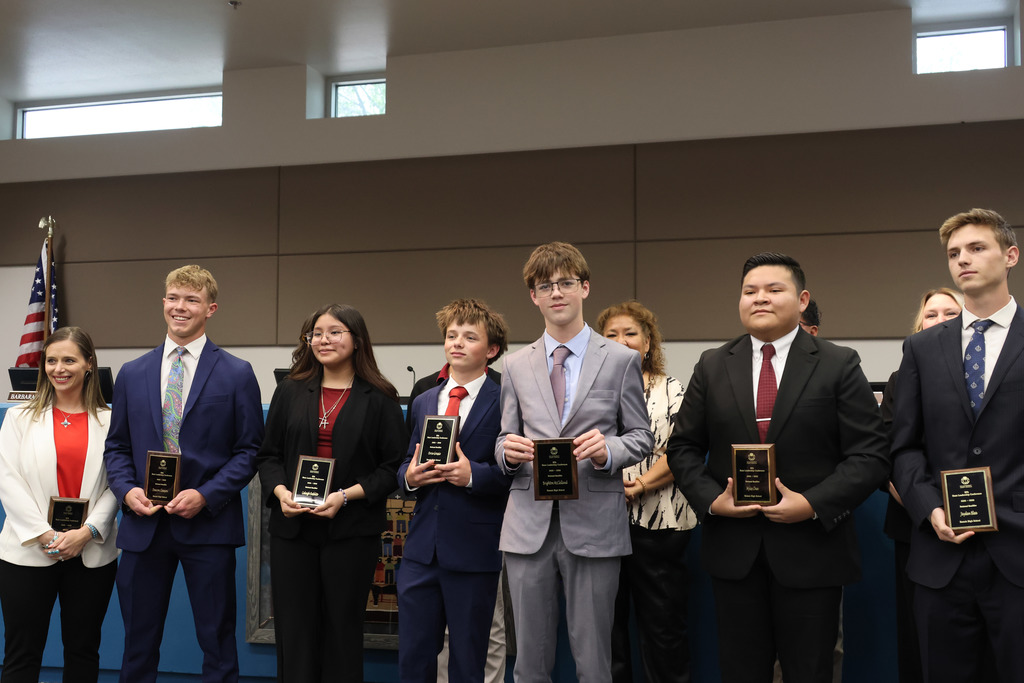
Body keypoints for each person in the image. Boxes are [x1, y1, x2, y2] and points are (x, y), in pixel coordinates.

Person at [666, 252, 889, 683]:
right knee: (741, 671)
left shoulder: (838, 363)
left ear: (802, 299)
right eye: (750, 291)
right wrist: (712, 501)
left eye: (774, 290)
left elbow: (871, 455)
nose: (759, 299)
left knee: (810, 671)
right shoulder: (712, 365)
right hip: (735, 550)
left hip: (812, 550)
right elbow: (683, 448)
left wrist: (812, 503)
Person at [495, 241, 653, 683]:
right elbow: (504, 436)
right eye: (545, 286)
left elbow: (642, 436)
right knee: (528, 662)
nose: (556, 292)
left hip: (596, 523)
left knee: (594, 660)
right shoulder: (514, 365)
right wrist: (506, 452)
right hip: (528, 527)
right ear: (533, 296)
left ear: (585, 287)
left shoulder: (621, 360)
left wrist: (609, 450)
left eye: (566, 283)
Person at [104, 265, 264, 683]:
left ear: (210, 308)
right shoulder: (132, 372)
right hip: (143, 525)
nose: (180, 307)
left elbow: (249, 451)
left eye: (191, 300)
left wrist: (206, 495)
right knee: (137, 643)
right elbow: (117, 447)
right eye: (173, 297)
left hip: (207, 527)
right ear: (163, 303)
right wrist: (125, 492)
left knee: (217, 641)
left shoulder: (236, 372)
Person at [891, 208, 1024, 682]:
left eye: (976, 248)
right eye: (953, 253)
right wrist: (929, 509)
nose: (962, 260)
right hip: (940, 553)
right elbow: (903, 446)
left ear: (1011, 255)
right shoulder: (922, 349)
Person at [256, 303, 406, 683]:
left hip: (351, 531)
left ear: (356, 340)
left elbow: (390, 469)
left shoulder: (381, 396)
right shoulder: (290, 390)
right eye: (316, 333)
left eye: (334, 332)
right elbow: (268, 455)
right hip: (293, 530)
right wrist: (281, 491)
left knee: (342, 631)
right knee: (295, 632)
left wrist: (345, 495)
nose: (324, 340)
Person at [398, 299, 512, 683]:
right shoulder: (425, 400)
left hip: (474, 549)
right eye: (451, 336)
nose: (456, 343)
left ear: (491, 350)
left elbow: (515, 474)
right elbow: (402, 465)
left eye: (469, 337)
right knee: (413, 656)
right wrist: (411, 477)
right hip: (420, 550)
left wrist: (472, 476)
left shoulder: (507, 402)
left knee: (468, 658)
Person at [0, 327, 118, 683]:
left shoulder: (111, 421)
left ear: (88, 365)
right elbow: (8, 479)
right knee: (21, 654)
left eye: (69, 359)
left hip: (90, 553)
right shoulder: (19, 418)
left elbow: (117, 486)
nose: (59, 368)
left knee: (83, 652)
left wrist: (87, 532)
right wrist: (45, 534)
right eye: (51, 360)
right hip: (28, 552)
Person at [598, 301, 696, 683]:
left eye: (630, 333)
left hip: (660, 523)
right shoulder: (592, 392)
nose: (621, 341)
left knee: (663, 629)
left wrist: (638, 484)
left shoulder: (672, 389)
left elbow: (681, 452)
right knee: (608, 630)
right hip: (600, 521)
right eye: (610, 335)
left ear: (648, 342)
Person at [879, 288, 961, 683]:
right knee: (919, 639)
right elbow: (888, 453)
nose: (941, 319)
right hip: (916, 529)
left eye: (951, 312)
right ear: (919, 326)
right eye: (932, 314)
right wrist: (924, 505)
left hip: (993, 526)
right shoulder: (900, 380)